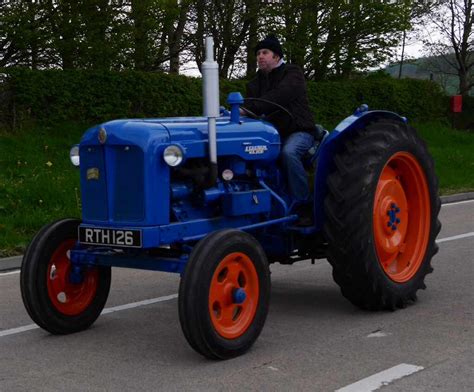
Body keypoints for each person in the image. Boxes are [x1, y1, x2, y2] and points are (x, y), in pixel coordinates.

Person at [242, 34, 325, 226]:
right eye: (258, 53)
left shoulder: (292, 73)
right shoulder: (254, 84)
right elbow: (249, 109)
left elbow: (280, 96)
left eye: (265, 52)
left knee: (289, 153)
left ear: (277, 56)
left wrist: (249, 108)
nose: (260, 56)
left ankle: (303, 206)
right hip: (271, 135)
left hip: (298, 131)